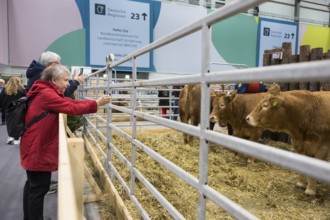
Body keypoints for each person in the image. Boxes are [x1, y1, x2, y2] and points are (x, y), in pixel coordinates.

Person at [20, 64, 111, 220]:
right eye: (65, 80)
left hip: (35, 144)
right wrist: (96, 103)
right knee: (38, 189)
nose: (68, 83)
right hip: (38, 147)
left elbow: (69, 103)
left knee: (33, 186)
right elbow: (71, 106)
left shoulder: (44, 90)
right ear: (54, 80)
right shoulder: (47, 94)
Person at [0, 77, 26, 143]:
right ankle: (17, 138)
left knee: (9, 123)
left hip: (7, 109)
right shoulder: (22, 90)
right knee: (18, 123)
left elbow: (1, 100)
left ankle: (10, 137)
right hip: (19, 109)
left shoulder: (5, 90)